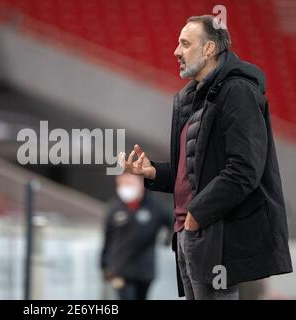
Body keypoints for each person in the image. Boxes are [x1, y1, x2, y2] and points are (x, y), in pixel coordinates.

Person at [119, 15, 292, 300]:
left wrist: (196, 216)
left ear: (210, 49)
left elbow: (244, 170)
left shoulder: (237, 92)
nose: (176, 51)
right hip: (190, 235)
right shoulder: (194, 97)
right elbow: (194, 173)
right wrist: (153, 173)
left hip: (214, 236)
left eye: (185, 44)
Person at [100, 173, 172, 300]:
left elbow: (172, 221)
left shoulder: (154, 206)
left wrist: (169, 239)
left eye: (129, 183)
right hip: (120, 269)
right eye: (121, 184)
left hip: (145, 270)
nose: (125, 188)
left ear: (140, 185)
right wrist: (103, 264)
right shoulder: (114, 208)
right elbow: (107, 238)